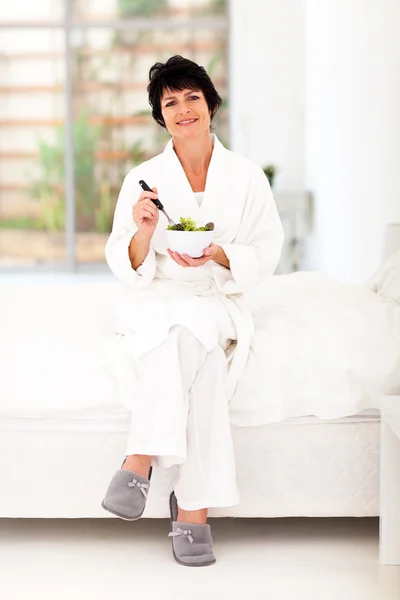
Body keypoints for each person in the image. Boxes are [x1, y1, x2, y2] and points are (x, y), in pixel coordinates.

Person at [101, 55, 284, 567]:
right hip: (159, 295)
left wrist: (220, 255)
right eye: (170, 102)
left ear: (212, 104)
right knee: (198, 367)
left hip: (213, 294)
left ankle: (139, 460)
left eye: (192, 98)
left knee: (191, 327)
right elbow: (126, 261)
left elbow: (268, 247)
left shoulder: (246, 177)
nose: (183, 110)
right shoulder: (144, 178)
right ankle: (193, 511)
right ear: (162, 117)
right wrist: (142, 230)